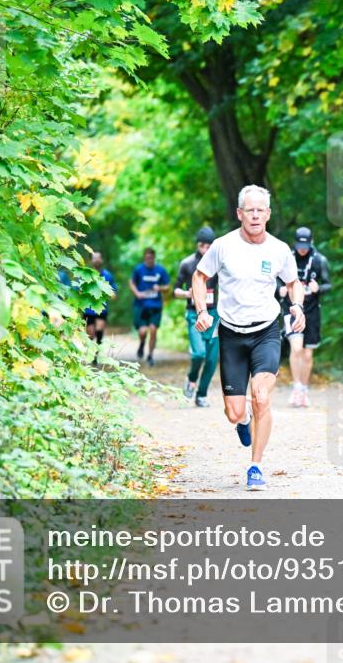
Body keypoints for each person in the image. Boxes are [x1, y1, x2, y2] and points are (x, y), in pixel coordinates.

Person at [193, 185, 304, 491]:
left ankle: (255, 466)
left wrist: (296, 305)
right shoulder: (223, 246)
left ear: (268, 214)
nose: (255, 215)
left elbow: (293, 283)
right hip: (231, 333)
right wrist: (203, 310)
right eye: (249, 210)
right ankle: (243, 422)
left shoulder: (279, 249)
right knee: (235, 412)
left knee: (262, 397)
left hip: (266, 331)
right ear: (239, 213)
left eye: (260, 210)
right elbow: (200, 277)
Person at [277, 226, 330, 407]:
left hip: (312, 310)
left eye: (305, 245)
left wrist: (319, 288)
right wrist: (280, 289)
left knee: (307, 354)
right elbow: (275, 279)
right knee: (296, 348)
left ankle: (304, 390)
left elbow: (328, 284)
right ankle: (296, 387)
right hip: (291, 308)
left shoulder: (319, 260)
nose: (302, 248)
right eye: (299, 244)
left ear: (311, 242)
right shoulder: (287, 259)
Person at [174, 227, 219, 407]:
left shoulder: (218, 265)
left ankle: (201, 394)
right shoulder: (187, 264)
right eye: (202, 245)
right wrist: (188, 294)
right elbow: (175, 290)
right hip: (194, 314)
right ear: (197, 245)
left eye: (209, 246)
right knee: (199, 353)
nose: (205, 249)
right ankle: (191, 379)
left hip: (214, 315)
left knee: (211, 358)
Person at [129, 247, 170, 367]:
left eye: (151, 258)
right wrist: (137, 293)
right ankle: (142, 344)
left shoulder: (160, 270)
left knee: (153, 330)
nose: (149, 260)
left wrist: (160, 288)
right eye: (147, 257)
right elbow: (131, 282)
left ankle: (150, 355)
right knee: (142, 332)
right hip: (140, 306)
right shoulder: (139, 269)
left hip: (155, 306)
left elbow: (167, 287)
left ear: (154, 258)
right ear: (144, 258)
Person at [84, 252, 117, 366]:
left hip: (102, 309)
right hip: (88, 309)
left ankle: (95, 356)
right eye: (94, 258)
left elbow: (114, 293)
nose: (97, 260)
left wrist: (109, 293)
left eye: (98, 258)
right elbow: (81, 291)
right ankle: (90, 353)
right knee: (90, 334)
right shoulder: (87, 274)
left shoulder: (108, 276)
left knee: (99, 331)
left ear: (102, 260)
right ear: (91, 261)